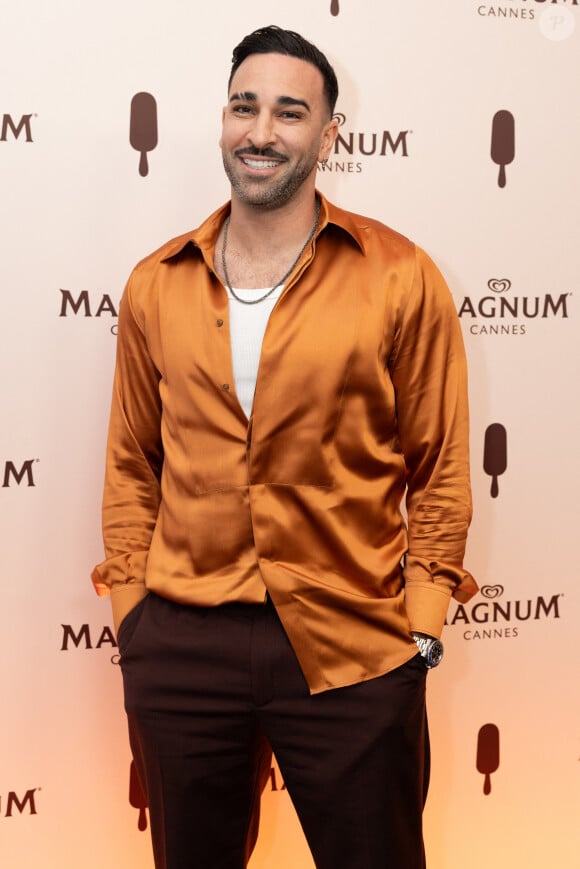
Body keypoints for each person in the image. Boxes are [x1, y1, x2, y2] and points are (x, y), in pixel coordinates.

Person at [92, 24, 478, 869]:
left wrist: (419, 625)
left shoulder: (400, 275)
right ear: (223, 120)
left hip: (354, 645)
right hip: (182, 644)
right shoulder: (156, 283)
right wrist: (134, 615)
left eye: (289, 112)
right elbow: (131, 462)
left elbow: (443, 466)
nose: (261, 131)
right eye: (245, 106)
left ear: (329, 134)